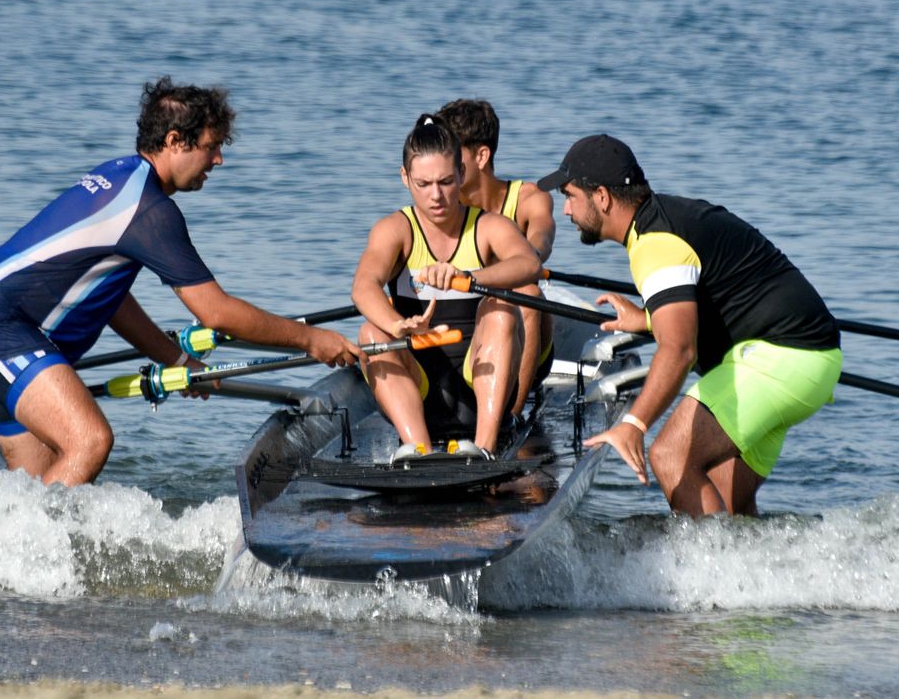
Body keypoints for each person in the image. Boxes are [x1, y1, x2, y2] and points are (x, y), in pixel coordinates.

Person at [0, 77, 363, 486]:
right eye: (211, 145)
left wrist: (178, 360)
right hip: (3, 330)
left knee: (33, 488)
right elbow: (216, 313)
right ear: (175, 141)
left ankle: (1, 553)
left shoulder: (120, 174)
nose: (219, 159)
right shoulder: (149, 210)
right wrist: (311, 340)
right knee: (90, 442)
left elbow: (109, 298)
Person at [534, 134, 841, 516]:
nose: (565, 211)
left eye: (570, 196)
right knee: (728, 502)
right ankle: (765, 575)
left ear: (601, 197)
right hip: (809, 361)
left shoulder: (655, 244)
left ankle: (712, 576)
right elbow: (712, 302)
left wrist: (633, 423)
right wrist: (647, 320)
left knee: (671, 457)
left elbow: (680, 349)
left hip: (779, 359)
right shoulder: (669, 219)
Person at [351, 114, 541, 461]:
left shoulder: (487, 227)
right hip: (419, 389)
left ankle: (485, 447)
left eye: (445, 181)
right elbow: (363, 287)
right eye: (423, 184)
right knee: (370, 331)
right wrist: (397, 325)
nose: (436, 196)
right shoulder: (395, 230)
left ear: (463, 175)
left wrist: (470, 278)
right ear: (405, 177)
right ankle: (418, 451)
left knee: (500, 309)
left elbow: (529, 264)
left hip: (477, 388)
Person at [433, 99, 556, 412]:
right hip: (467, 337)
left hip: (521, 339)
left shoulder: (529, 198)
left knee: (527, 290)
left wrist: (525, 261)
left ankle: (511, 416)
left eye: (450, 153)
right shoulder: (439, 203)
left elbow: (541, 237)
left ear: (481, 156)